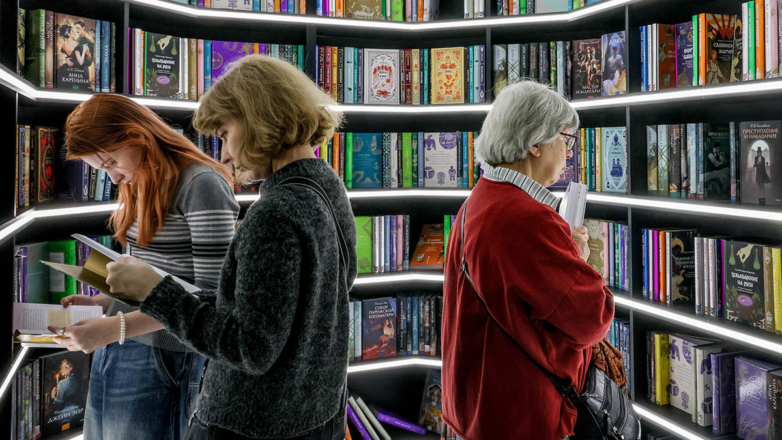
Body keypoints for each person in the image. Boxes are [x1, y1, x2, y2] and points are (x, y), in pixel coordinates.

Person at [104, 55, 357, 440]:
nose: (223, 156)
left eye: (224, 134)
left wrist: (155, 292)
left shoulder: (274, 214)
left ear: (258, 118)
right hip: (318, 416)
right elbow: (297, 299)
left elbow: (248, 348)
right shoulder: (328, 187)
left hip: (249, 425)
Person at [50, 94, 239, 440]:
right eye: (102, 169)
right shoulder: (141, 181)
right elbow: (151, 277)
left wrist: (114, 327)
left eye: (111, 162)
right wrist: (105, 303)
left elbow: (212, 301)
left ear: (137, 136)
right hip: (120, 343)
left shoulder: (201, 185)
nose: (113, 178)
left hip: (164, 354)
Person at [441, 81, 615, 440]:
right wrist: (580, 258)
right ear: (535, 143)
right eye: (566, 139)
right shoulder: (527, 218)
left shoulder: (478, 200)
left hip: (480, 406)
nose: (569, 152)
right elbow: (593, 318)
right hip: (522, 413)